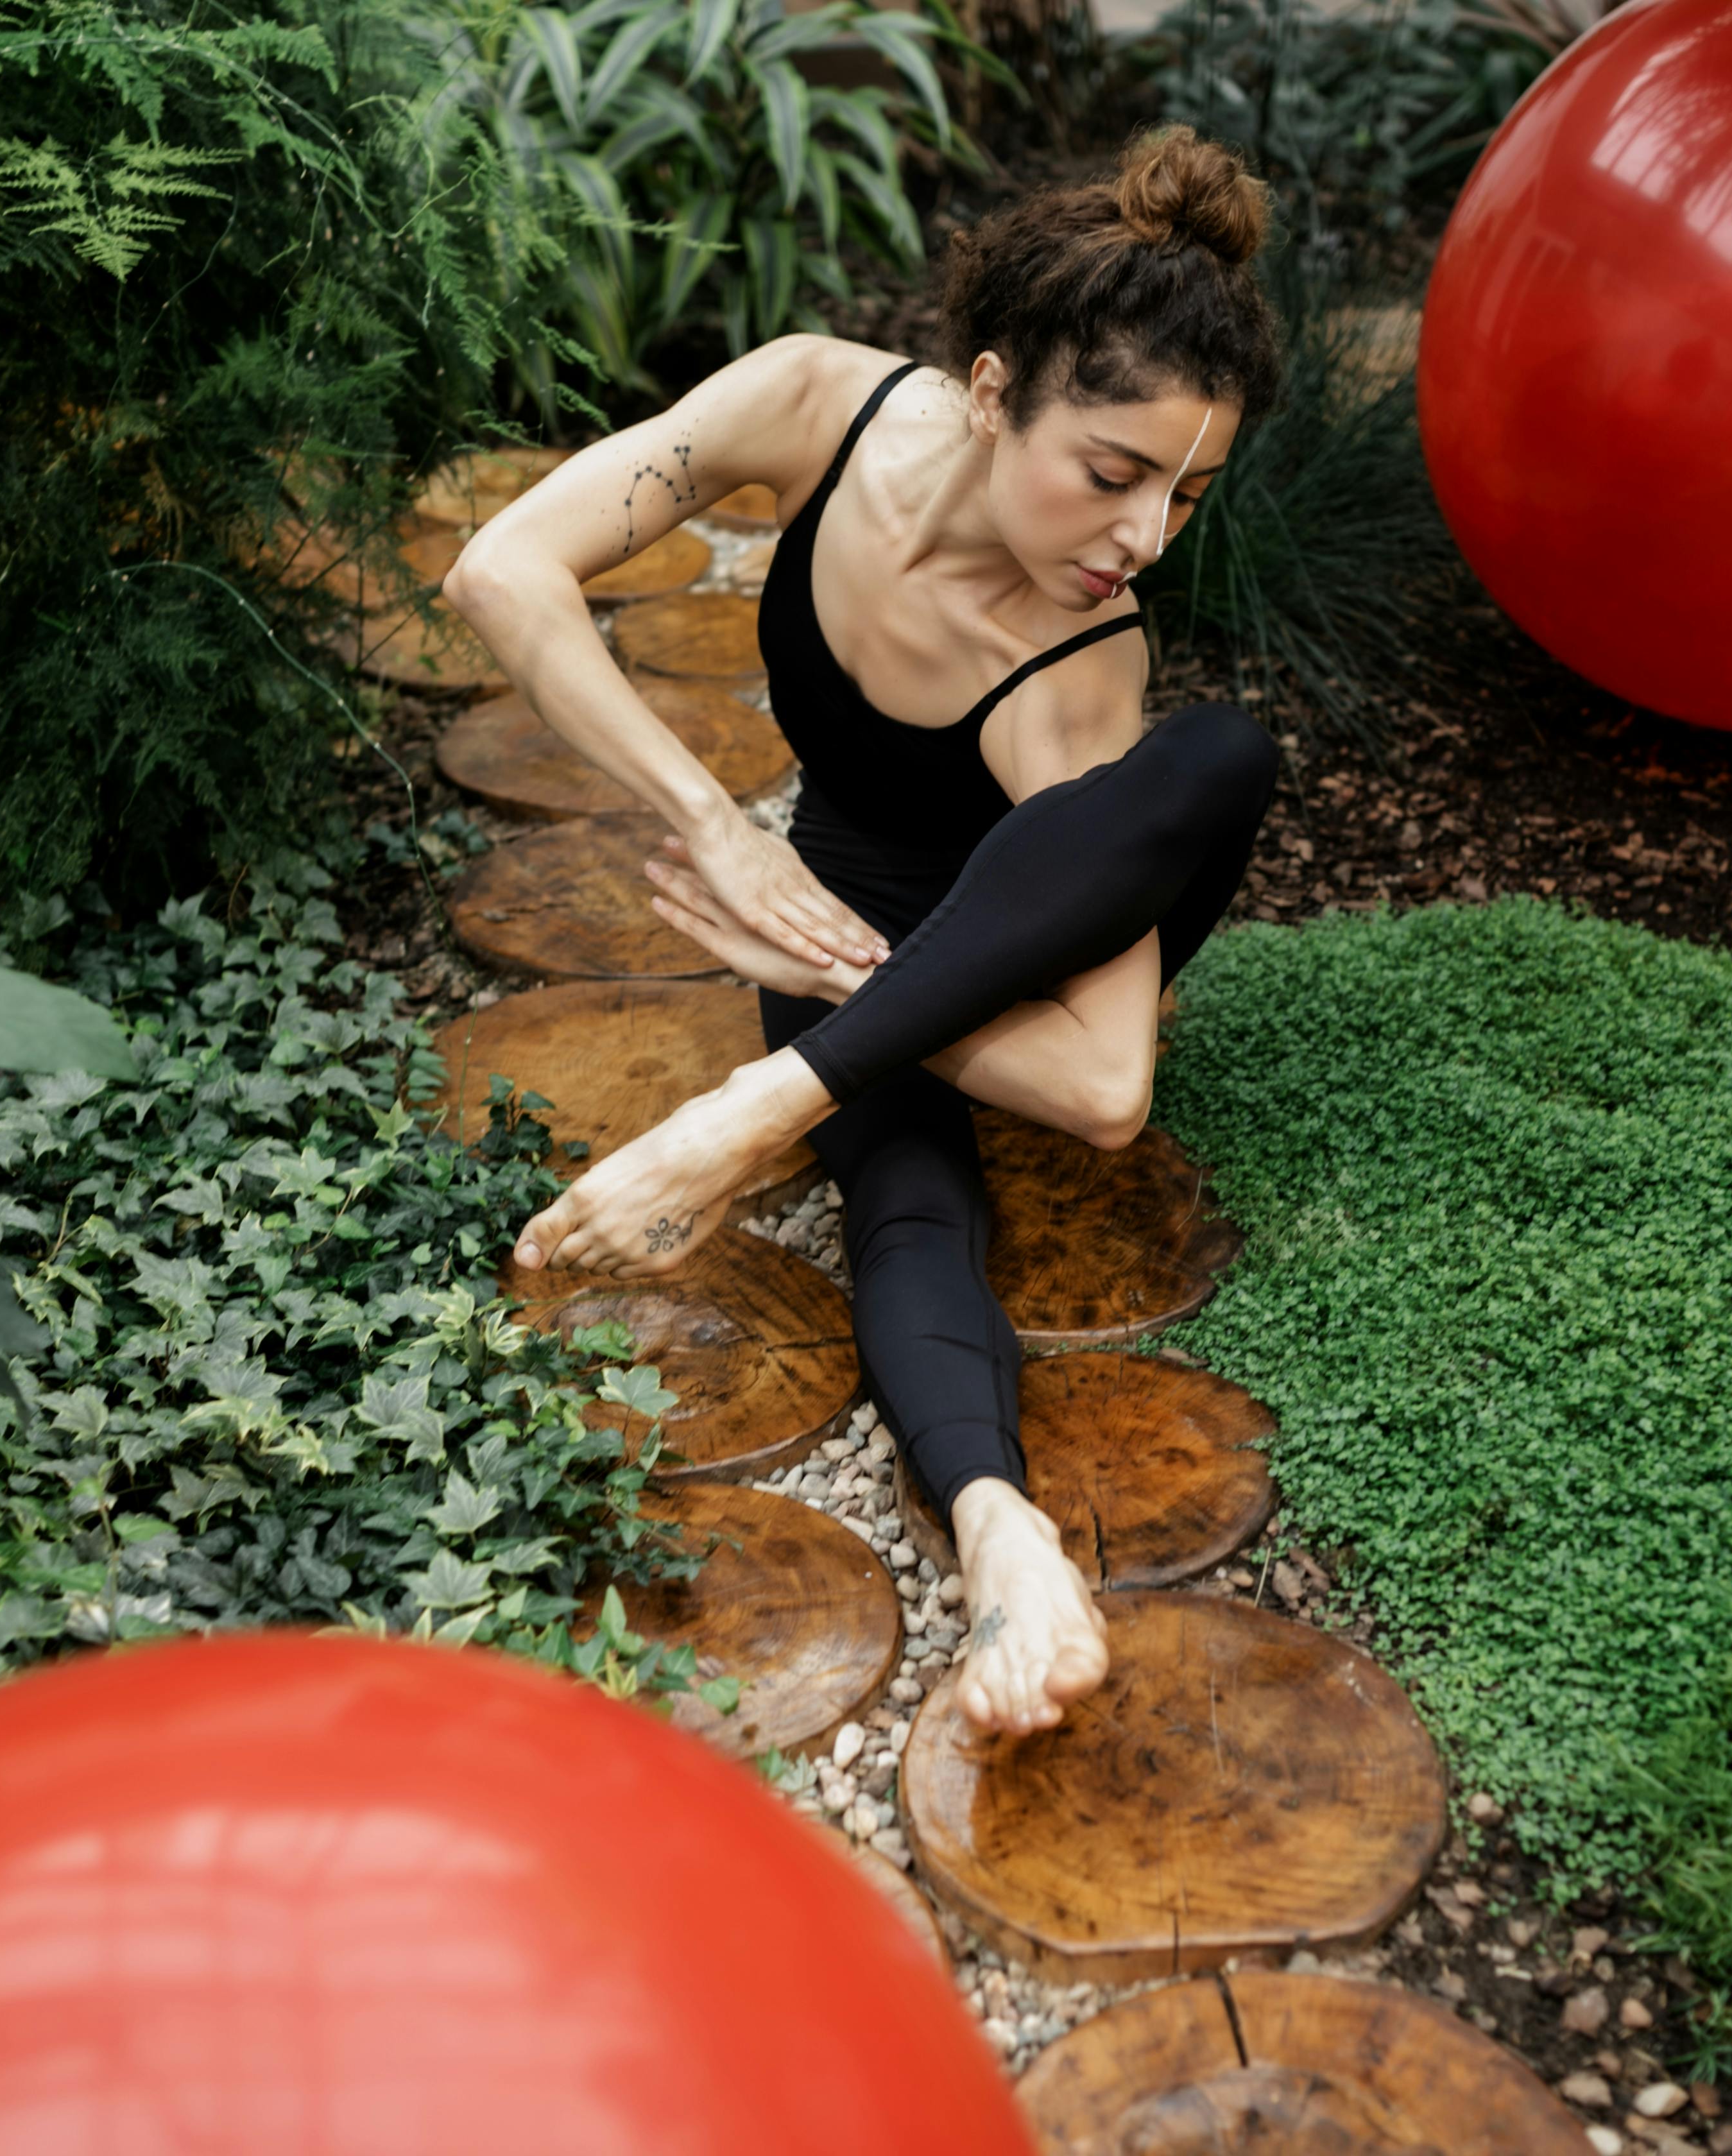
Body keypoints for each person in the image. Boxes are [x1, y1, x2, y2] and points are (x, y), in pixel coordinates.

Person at [441, 124, 1285, 1740]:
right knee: (905, 1196)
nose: (1145, 537)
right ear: (988, 389)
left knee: (1222, 753)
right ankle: (1007, 1540)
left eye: (1188, 493)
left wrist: (834, 1003)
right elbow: (505, 567)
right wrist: (712, 827)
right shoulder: (811, 402)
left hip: (990, 949)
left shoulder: (1082, 663)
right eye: (1115, 473)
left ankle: (752, 1114)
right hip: (845, 913)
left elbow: (1107, 1092)